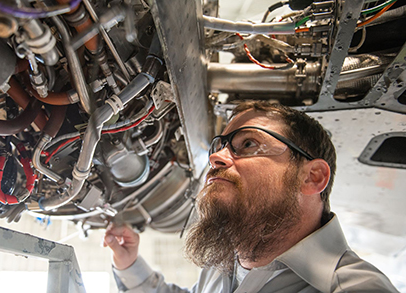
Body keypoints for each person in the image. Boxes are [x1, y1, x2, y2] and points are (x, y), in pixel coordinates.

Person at [103, 101, 399, 293]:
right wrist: (129, 263)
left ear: (312, 177)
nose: (216, 157)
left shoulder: (356, 289)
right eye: (218, 147)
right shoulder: (223, 268)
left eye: (248, 144)